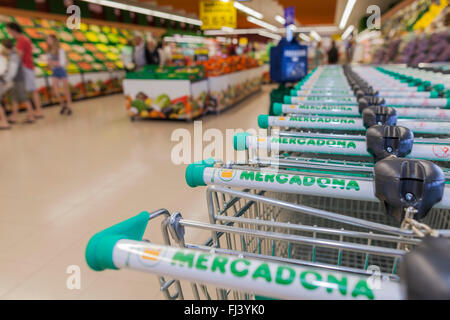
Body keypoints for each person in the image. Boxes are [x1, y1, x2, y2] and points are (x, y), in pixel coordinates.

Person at [6, 22, 43, 120]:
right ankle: (36, 111)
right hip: (28, 67)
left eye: (9, 30)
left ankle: (38, 112)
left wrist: (9, 55)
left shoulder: (21, 40)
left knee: (30, 90)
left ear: (13, 30)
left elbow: (19, 56)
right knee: (29, 90)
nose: (9, 33)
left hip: (25, 67)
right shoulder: (24, 39)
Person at [1, 39, 35, 124]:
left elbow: (13, 72)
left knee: (24, 97)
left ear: (6, 47)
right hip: (16, 80)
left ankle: (31, 116)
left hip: (19, 80)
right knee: (15, 98)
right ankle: (14, 117)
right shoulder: (12, 55)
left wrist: (5, 79)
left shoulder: (14, 56)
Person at [46, 34, 72, 115]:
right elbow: (50, 63)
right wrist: (50, 64)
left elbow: (63, 63)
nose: (47, 41)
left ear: (54, 40)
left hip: (62, 70)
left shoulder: (60, 50)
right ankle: (63, 104)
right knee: (55, 90)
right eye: (47, 39)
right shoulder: (49, 51)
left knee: (65, 90)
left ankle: (69, 106)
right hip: (55, 71)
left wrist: (53, 63)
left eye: (49, 39)